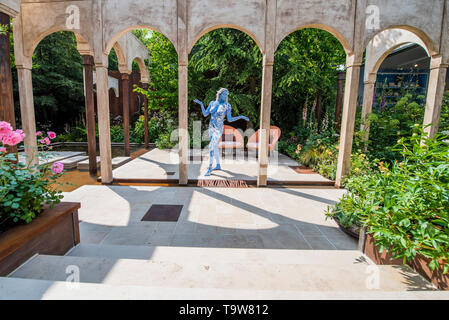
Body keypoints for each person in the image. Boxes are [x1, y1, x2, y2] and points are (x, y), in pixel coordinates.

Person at [193, 88, 249, 176]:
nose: (226, 96)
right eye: (224, 94)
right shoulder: (212, 103)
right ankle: (218, 165)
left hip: (218, 129)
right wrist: (201, 104)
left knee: (211, 146)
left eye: (227, 95)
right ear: (220, 94)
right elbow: (205, 114)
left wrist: (241, 116)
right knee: (214, 146)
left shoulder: (227, 105)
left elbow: (229, 119)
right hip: (211, 128)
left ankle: (209, 168)